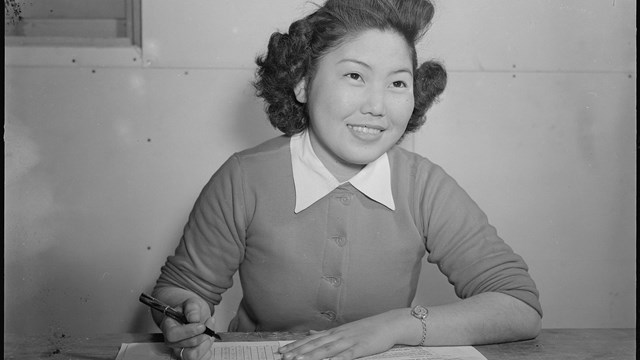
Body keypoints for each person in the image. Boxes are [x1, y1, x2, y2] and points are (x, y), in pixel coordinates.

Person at [150, 1, 542, 359]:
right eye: (355, 75)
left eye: (397, 83)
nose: (376, 106)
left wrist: (394, 326)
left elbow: (518, 304)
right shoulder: (243, 178)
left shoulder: (425, 186)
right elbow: (181, 289)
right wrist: (182, 313)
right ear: (302, 83)